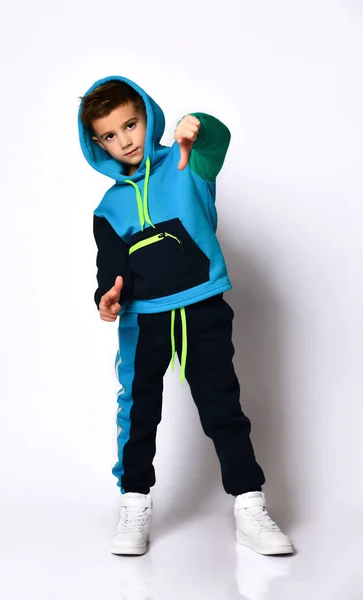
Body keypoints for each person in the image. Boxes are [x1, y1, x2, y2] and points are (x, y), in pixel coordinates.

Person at [78, 76, 294, 557]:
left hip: (202, 307)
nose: (126, 140)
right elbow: (110, 266)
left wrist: (202, 128)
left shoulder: (184, 163)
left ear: (147, 118)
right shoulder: (107, 209)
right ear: (97, 143)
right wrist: (107, 296)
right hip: (144, 320)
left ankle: (249, 505)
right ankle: (134, 501)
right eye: (110, 135)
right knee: (137, 413)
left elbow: (218, 143)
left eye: (131, 124)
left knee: (223, 408)